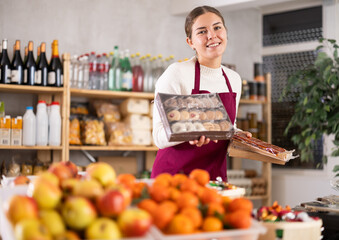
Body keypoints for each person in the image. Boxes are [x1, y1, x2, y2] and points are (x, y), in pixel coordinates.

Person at [151, 5, 250, 181]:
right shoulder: (177, 73)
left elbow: (226, 125)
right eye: (202, 31)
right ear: (190, 42)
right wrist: (192, 130)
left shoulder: (233, 79)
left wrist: (238, 134)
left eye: (217, 27)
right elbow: (158, 137)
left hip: (213, 179)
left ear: (226, 32)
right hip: (174, 178)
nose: (212, 35)